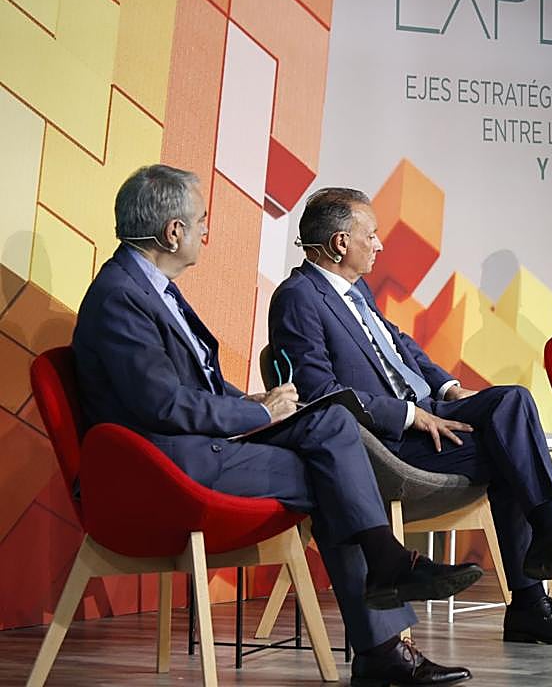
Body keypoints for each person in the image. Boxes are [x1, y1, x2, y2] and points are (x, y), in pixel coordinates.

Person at [72, 165, 479, 686]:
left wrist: (256, 400)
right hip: (167, 464)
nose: (204, 231)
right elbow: (164, 405)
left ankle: (386, 583)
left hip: (199, 442)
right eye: (200, 221)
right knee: (336, 475)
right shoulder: (120, 297)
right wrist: (259, 413)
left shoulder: (149, 287)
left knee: (331, 426)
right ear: (173, 232)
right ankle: (385, 633)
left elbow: (197, 389)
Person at [268, 188, 552, 647]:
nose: (379, 244)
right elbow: (321, 394)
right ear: (338, 244)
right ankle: (535, 592)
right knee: (511, 450)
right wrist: (410, 415)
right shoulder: (298, 297)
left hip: (430, 413)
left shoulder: (356, 291)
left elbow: (400, 348)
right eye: (370, 235)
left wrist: (448, 386)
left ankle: (547, 547)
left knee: (511, 403)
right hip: (384, 444)